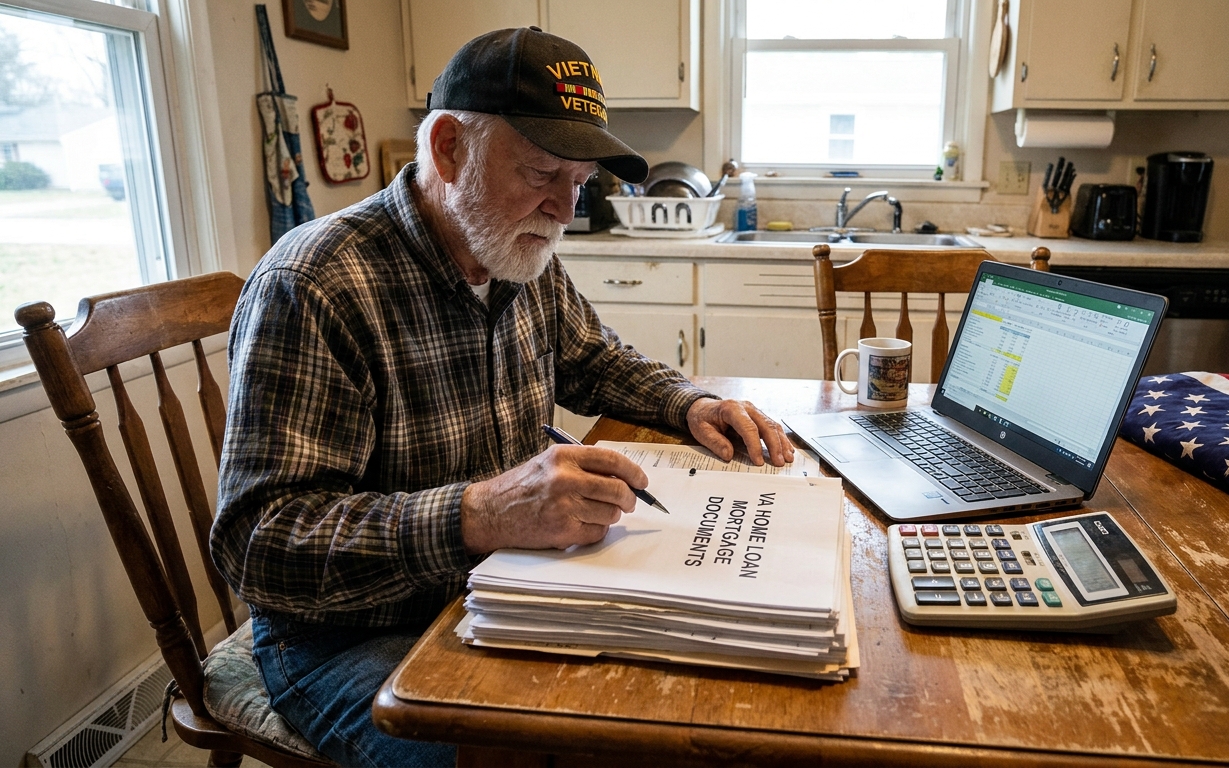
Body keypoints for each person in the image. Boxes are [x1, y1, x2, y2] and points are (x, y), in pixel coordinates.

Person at [211, 26, 794, 766]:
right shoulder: (315, 285)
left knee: (687, 702)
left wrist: (689, 403)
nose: (563, 207)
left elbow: (594, 359)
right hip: (346, 631)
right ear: (450, 148)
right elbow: (259, 544)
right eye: (543, 171)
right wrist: (481, 514)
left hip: (504, 582)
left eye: (579, 181)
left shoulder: (517, 248)